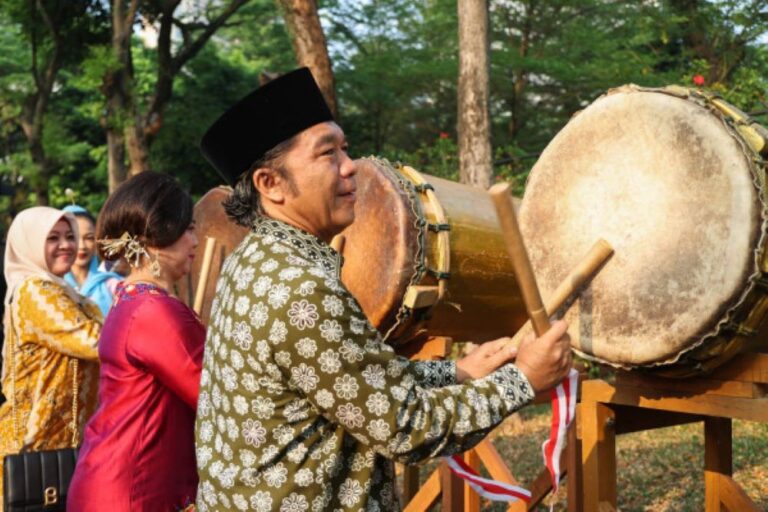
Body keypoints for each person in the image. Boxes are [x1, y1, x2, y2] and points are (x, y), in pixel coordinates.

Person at [194, 68, 572, 511]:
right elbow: (408, 426)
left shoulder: (253, 259)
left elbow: (351, 379)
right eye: (327, 153)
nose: (350, 165)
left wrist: (457, 372)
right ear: (270, 184)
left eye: (345, 148)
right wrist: (523, 380)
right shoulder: (301, 291)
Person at [68, 172, 205, 511]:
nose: (196, 241)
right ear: (157, 237)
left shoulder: (132, 298)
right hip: (132, 490)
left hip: (114, 480)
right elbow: (216, 394)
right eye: (188, 229)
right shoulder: (154, 311)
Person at [0, 207, 102, 506]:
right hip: (28, 447)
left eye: (70, 236)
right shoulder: (35, 290)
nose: (67, 245)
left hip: (61, 447)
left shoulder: (67, 292)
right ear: (30, 244)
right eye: (53, 238)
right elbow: (93, 340)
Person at [62, 204, 123, 317]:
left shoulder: (113, 285)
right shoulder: (53, 285)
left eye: (89, 238)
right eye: (73, 237)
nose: (82, 246)